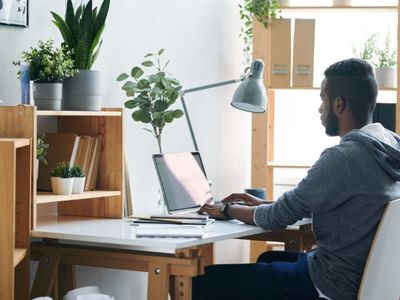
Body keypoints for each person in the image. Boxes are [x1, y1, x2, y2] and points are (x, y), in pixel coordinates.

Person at [193, 58, 400, 300]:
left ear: (339, 104)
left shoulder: (343, 158)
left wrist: (227, 208)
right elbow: (332, 204)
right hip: (359, 276)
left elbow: (276, 218)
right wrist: (260, 204)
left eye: (322, 100)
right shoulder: (388, 146)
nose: (320, 109)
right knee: (268, 259)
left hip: (331, 283)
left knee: (205, 283)